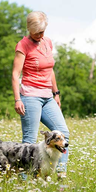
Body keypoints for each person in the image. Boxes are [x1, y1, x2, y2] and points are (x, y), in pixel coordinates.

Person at [12, 11, 70, 178]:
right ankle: (24, 179)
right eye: (37, 32)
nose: (40, 35)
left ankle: (60, 172)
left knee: (63, 132)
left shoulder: (47, 42)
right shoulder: (22, 45)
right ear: (29, 29)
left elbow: (49, 69)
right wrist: (17, 99)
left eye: (42, 32)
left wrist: (56, 93)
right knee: (29, 141)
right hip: (30, 96)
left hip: (47, 96)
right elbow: (16, 74)